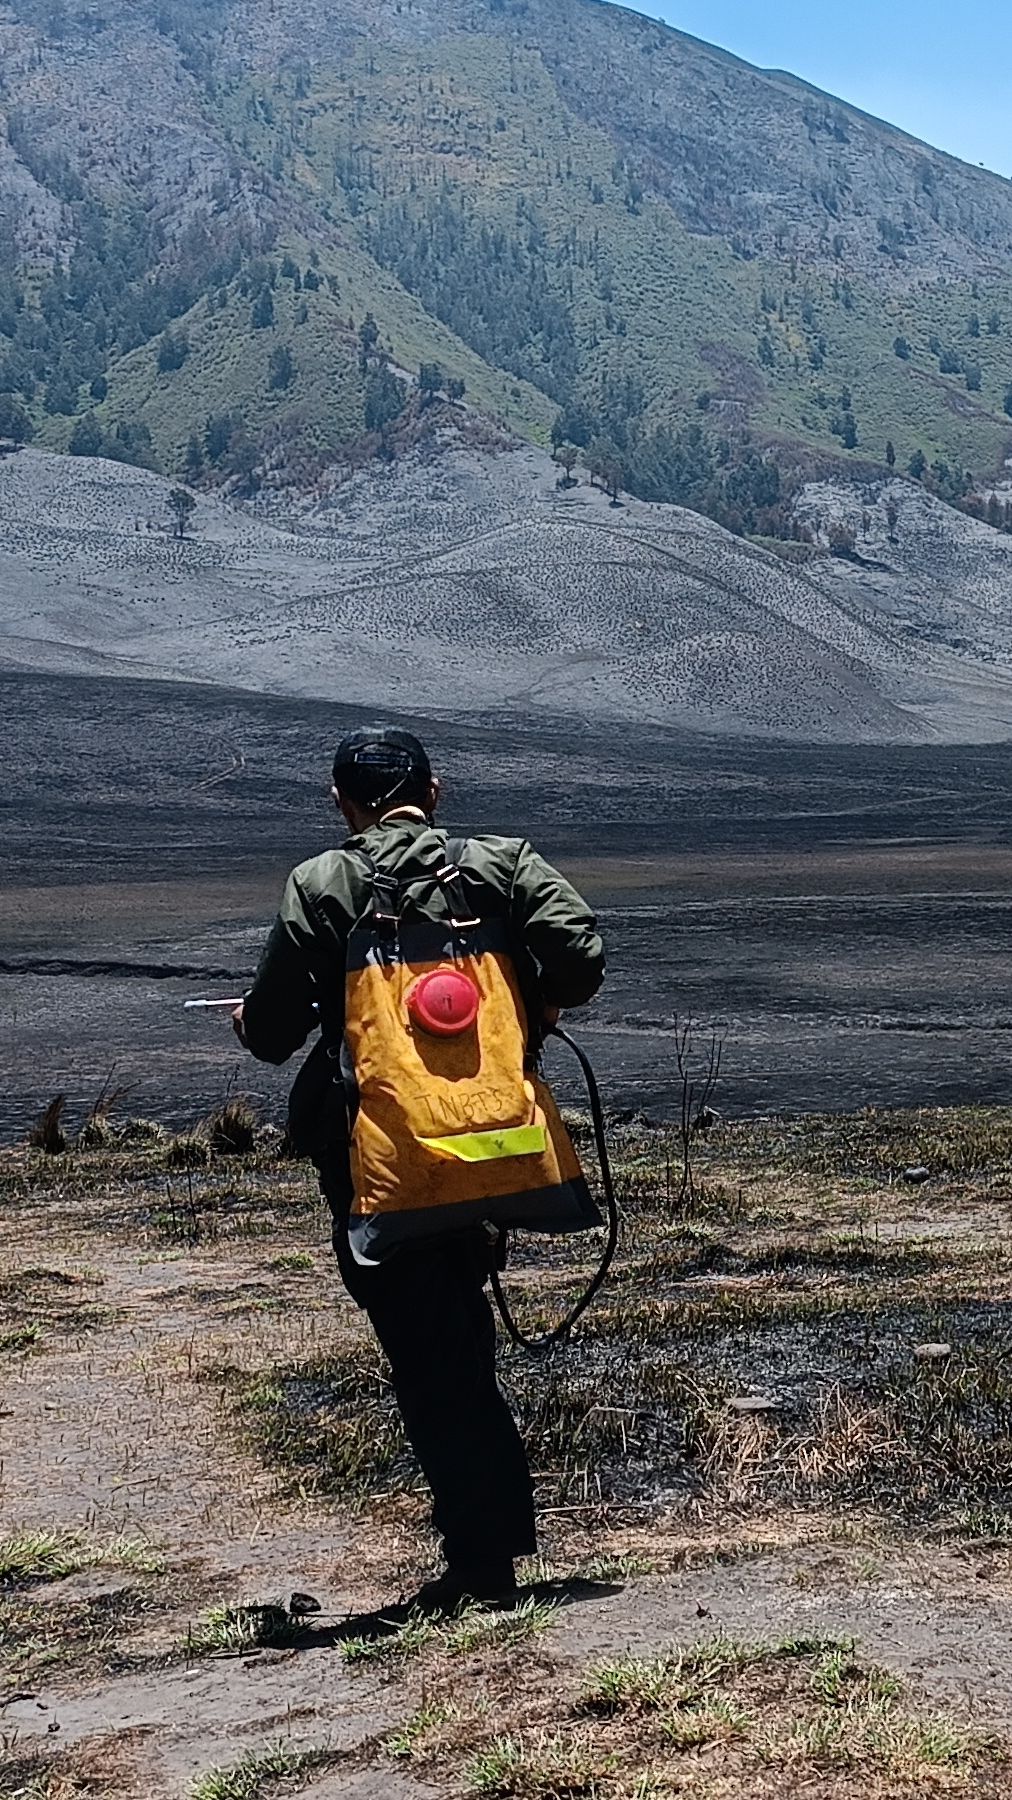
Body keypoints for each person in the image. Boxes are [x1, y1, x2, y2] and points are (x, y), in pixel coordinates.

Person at [234, 725, 605, 1612]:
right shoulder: (501, 863)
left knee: (433, 1356)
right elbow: (581, 957)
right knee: (457, 1338)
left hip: (383, 1160)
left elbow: (277, 1031)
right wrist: (535, 1006)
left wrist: (250, 1023)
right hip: (495, 1143)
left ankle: (483, 1565)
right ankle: (492, 1543)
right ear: (433, 793)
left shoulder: (323, 884)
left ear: (342, 803)